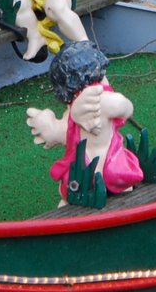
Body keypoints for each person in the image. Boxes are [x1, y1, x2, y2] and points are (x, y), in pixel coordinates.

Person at [26, 40, 143, 206]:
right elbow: (126, 108)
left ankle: (70, 201)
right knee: (118, 173)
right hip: (112, 166)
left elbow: (62, 133)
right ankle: (122, 189)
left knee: (71, 184)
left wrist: (47, 125)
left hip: (83, 171)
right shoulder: (105, 101)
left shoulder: (72, 112)